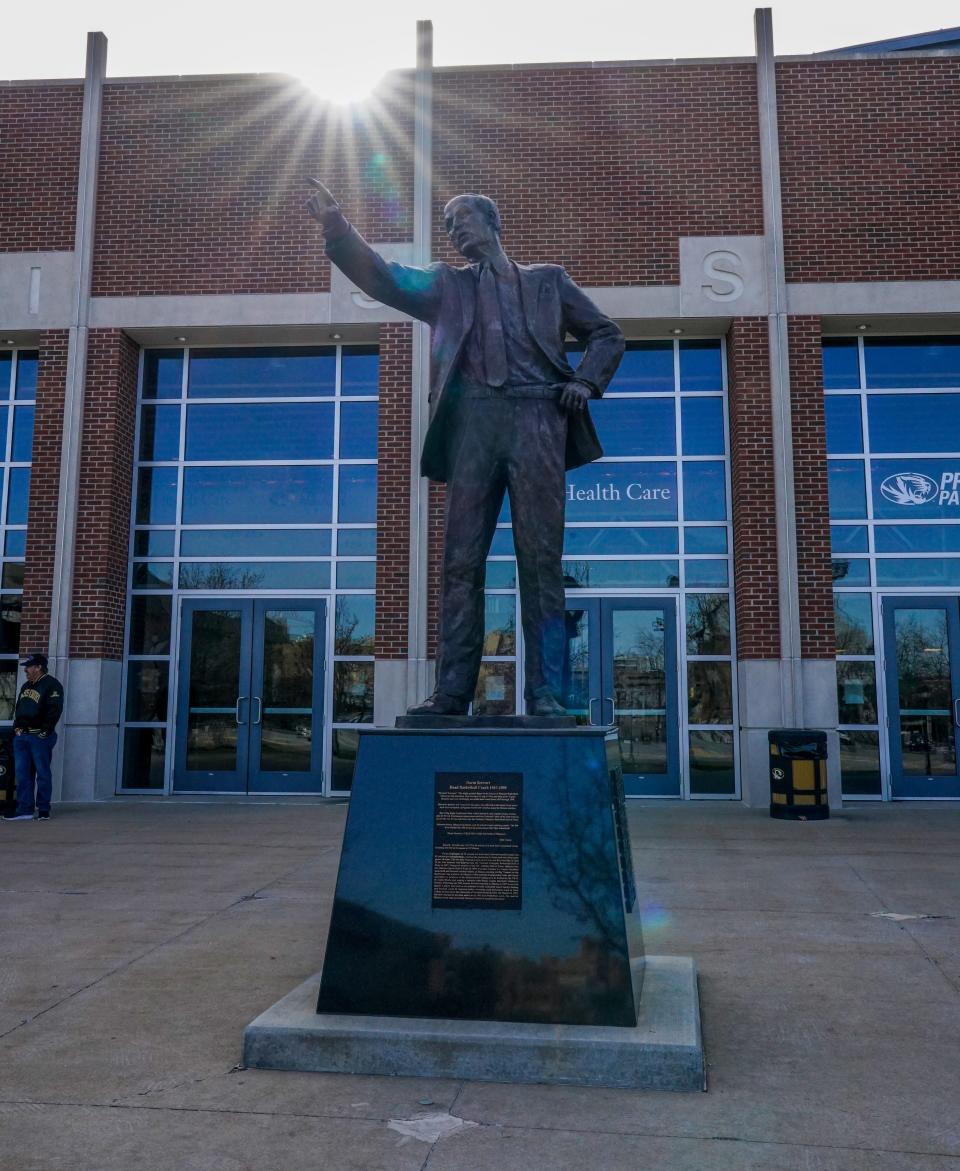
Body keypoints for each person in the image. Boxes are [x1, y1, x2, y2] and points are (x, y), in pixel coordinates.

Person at [307, 181, 624, 716]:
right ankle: (452, 692)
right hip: (474, 423)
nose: (454, 230)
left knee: (541, 561)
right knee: (459, 561)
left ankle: (546, 693)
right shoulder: (444, 286)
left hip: (538, 420)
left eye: (462, 219)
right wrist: (338, 229)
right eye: (448, 225)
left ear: (492, 222)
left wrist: (587, 383)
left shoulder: (549, 282)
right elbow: (384, 278)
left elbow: (608, 335)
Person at [1, 653, 64, 821]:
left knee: (42, 773)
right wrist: (17, 728)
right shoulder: (26, 686)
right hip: (22, 736)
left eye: (29, 667)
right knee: (23, 774)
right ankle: (25, 809)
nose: (26, 670)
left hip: (40, 737)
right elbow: (19, 708)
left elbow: (54, 710)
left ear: (39, 667)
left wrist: (45, 730)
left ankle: (43, 809)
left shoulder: (52, 685)